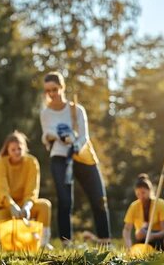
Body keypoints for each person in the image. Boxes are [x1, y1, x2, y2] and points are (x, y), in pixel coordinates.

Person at [40, 72, 111, 245]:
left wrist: (75, 146)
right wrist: (57, 136)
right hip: (59, 158)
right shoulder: (46, 113)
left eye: (54, 89)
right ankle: (66, 242)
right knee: (65, 200)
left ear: (62, 87)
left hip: (82, 157)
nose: (51, 93)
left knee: (99, 198)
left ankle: (105, 240)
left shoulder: (76, 110)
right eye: (48, 90)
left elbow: (85, 136)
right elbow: (46, 135)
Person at [0, 131, 52, 247]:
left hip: (25, 204)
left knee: (45, 206)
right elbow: (1, 189)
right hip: (6, 206)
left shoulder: (32, 162)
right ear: (7, 150)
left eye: (19, 148)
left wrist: (27, 205)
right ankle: (6, 242)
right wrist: (12, 205)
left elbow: (32, 188)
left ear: (24, 147)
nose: (17, 152)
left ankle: (43, 242)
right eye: (13, 149)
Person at [122, 174, 164, 250]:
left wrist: (151, 235)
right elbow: (127, 229)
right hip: (141, 240)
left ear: (149, 191)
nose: (141, 196)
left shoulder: (160, 204)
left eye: (143, 193)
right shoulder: (134, 206)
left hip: (158, 239)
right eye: (138, 194)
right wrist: (128, 245)